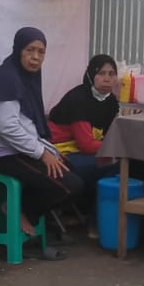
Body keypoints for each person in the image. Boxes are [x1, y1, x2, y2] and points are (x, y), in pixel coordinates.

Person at [0, 27, 82, 259]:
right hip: (1, 154)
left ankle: (36, 218)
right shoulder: (7, 79)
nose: (35, 57)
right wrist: (42, 154)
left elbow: (27, 125)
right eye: (30, 50)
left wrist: (50, 150)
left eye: (41, 52)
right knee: (68, 184)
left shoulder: (25, 78)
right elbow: (8, 127)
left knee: (71, 171)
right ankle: (20, 211)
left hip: (17, 150)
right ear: (18, 50)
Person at [49, 54, 122, 190]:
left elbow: (110, 135)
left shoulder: (111, 101)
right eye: (101, 73)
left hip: (82, 149)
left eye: (112, 74)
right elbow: (86, 145)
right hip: (60, 150)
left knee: (124, 162)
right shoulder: (79, 99)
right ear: (91, 75)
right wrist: (117, 148)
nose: (107, 79)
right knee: (114, 165)